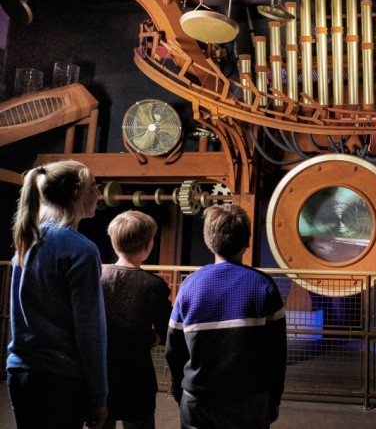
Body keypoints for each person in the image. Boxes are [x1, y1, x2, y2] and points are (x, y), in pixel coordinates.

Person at [166, 204, 287, 429]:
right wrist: (274, 396)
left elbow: (174, 350)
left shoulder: (189, 287)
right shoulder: (263, 286)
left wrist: (181, 392)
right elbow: (277, 352)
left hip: (198, 400)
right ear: (247, 241)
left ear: (208, 241)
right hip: (250, 399)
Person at [6, 160, 107, 429]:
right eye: (93, 187)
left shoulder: (27, 242)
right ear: (76, 193)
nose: (98, 194)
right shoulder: (81, 250)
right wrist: (99, 395)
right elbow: (90, 330)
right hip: (61, 380)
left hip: (20, 371)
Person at [102, 210, 173, 429]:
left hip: (101, 376)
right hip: (137, 377)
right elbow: (167, 329)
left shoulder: (97, 279)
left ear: (114, 243)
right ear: (148, 247)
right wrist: (153, 338)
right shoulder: (153, 285)